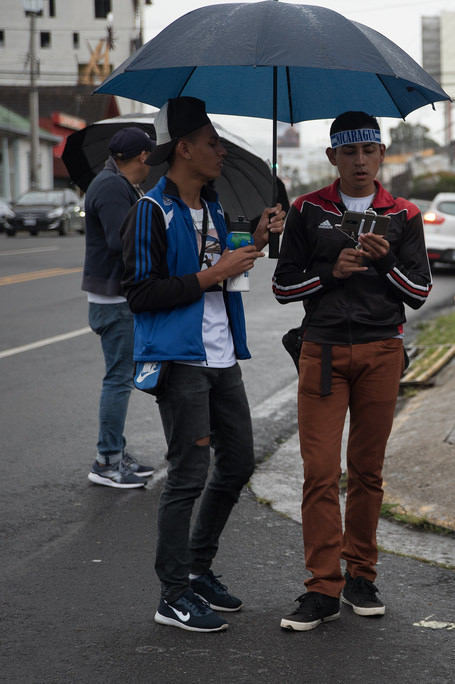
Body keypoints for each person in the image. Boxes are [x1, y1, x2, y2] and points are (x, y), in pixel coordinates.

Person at [121, 96, 285, 632]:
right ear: (184, 148)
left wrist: (256, 241)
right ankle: (171, 594)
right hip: (179, 358)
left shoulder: (213, 208)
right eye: (213, 142)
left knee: (236, 463)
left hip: (221, 356)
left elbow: (221, 269)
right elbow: (141, 293)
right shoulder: (150, 211)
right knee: (189, 472)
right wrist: (214, 275)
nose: (221, 150)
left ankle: (198, 570)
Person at [272, 111, 432, 631]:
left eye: (369, 150)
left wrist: (384, 263)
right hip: (321, 353)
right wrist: (329, 272)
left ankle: (361, 574)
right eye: (349, 151)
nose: (360, 160)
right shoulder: (307, 209)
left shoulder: (403, 214)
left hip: (382, 350)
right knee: (319, 471)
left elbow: (420, 292)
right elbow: (282, 286)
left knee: (367, 471)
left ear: (381, 154)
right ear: (332, 157)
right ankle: (322, 585)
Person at [82, 126, 156, 489]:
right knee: (118, 380)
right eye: (149, 156)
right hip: (114, 300)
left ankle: (114, 452)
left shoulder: (117, 183)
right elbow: (119, 241)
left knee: (120, 378)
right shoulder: (112, 186)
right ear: (142, 156)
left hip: (114, 298)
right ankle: (106, 462)